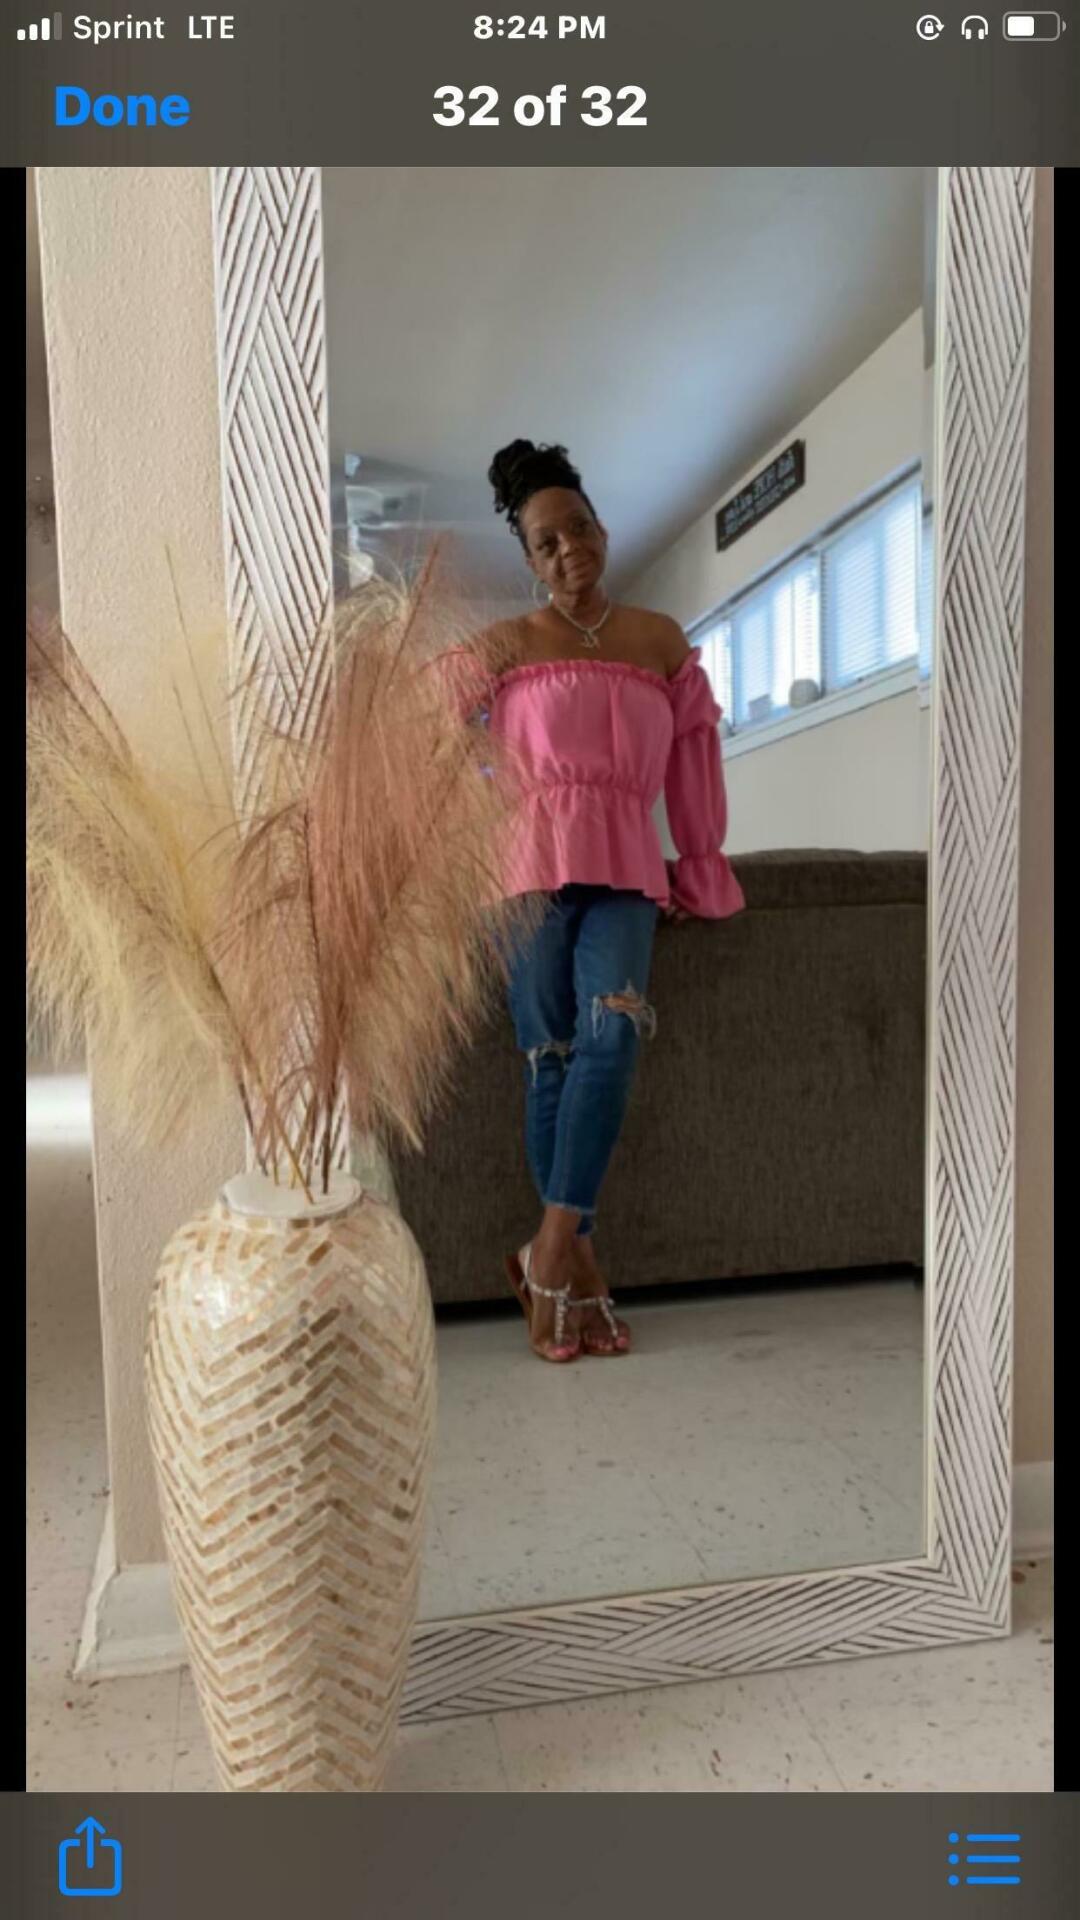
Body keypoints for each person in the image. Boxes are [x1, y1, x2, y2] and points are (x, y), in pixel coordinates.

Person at [470, 438, 746, 1362]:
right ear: (528, 560)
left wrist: (698, 864)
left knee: (613, 1035)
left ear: (602, 528)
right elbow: (417, 728)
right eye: (545, 544)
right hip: (527, 872)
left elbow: (694, 758)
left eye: (578, 528)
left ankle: (547, 1250)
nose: (568, 551)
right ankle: (579, 1273)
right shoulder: (506, 646)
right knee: (548, 1057)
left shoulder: (660, 640)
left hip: (628, 866)